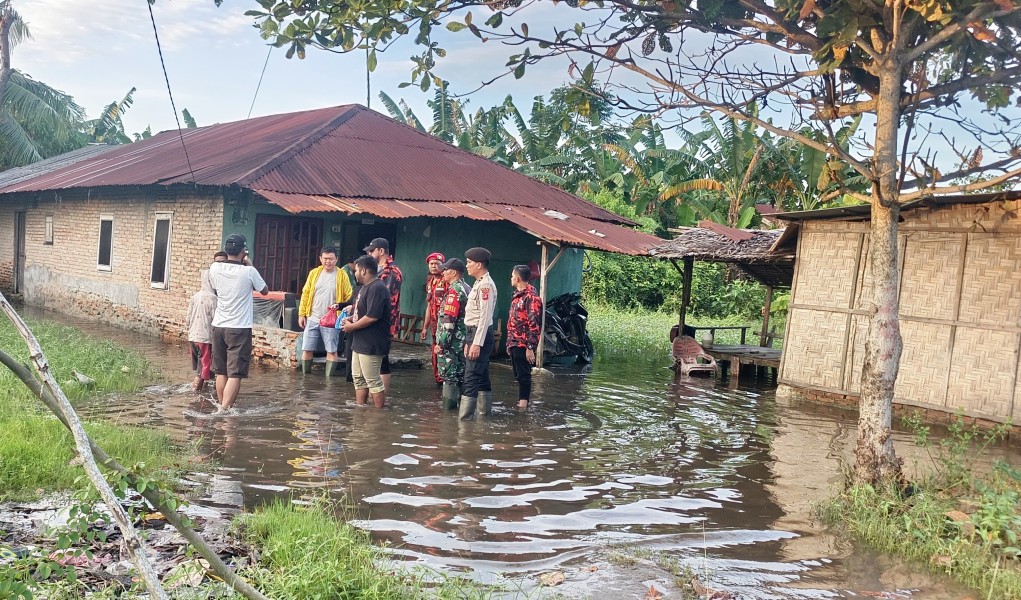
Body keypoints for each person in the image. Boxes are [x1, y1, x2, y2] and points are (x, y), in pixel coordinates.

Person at [208, 233, 269, 413]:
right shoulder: (249, 271)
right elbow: (264, 291)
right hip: (239, 328)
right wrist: (248, 263)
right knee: (235, 373)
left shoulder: (214, 268)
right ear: (244, 251)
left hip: (218, 325)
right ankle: (225, 410)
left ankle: (222, 406)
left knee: (221, 371)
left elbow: (214, 286)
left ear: (226, 251)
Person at [341, 255, 392, 409]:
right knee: (358, 378)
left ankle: (378, 415)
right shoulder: (364, 288)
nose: (355, 273)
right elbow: (362, 312)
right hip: (359, 341)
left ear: (363, 270)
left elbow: (372, 316)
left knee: (372, 379)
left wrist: (352, 327)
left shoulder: (378, 288)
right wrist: (350, 318)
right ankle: (361, 408)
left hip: (372, 342)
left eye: (356, 270)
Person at [297, 247, 353, 377]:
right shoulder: (314, 273)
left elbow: (348, 296)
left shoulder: (342, 275)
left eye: (331, 259)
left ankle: (329, 380)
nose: (328, 262)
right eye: (325, 259)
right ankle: (306, 377)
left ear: (336, 259)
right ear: (320, 259)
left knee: (332, 350)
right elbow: (305, 293)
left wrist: (344, 314)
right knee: (307, 348)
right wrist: (302, 314)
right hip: (313, 317)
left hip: (332, 320)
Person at [460, 247, 497, 420]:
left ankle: (464, 422)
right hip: (473, 334)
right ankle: (484, 418)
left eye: (469, 263)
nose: (466, 266)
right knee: (481, 376)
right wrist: (470, 341)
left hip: (479, 334)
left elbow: (485, 317)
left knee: (471, 377)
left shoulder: (486, 285)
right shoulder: (479, 283)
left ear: (479, 264)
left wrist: (476, 342)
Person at [365, 237, 402, 391]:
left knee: (383, 358)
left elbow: (386, 299)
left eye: (371, 251)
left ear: (381, 251)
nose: (369, 254)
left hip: (385, 321)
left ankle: (382, 394)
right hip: (373, 318)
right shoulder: (379, 270)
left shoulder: (392, 272)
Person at [435, 258, 471, 410]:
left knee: (449, 377)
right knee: (462, 377)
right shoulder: (467, 287)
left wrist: (441, 344)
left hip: (452, 343)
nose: (443, 272)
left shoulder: (454, 291)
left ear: (454, 272)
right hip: (463, 341)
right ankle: (463, 415)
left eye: (445, 270)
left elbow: (448, 322)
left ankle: (447, 416)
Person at [506, 265, 543, 409]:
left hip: (523, 343)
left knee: (524, 374)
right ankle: (522, 402)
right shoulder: (517, 296)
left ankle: (523, 404)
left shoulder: (531, 298)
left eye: (511, 276)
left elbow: (534, 325)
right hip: (514, 342)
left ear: (517, 278)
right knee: (518, 374)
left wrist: (530, 347)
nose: (511, 278)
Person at [186, 269, 217, 392]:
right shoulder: (213, 298)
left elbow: (188, 318)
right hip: (205, 338)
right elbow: (216, 320)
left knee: (203, 368)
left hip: (193, 337)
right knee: (203, 370)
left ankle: (203, 392)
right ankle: (195, 395)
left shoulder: (195, 296)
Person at [421, 251, 448, 386]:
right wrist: (424, 327)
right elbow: (428, 306)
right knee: (434, 354)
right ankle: (438, 380)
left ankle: (446, 381)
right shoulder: (430, 283)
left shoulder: (447, 281)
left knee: (445, 353)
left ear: (443, 265)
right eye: (431, 264)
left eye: (436, 264)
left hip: (446, 327)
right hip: (434, 327)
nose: (433, 266)